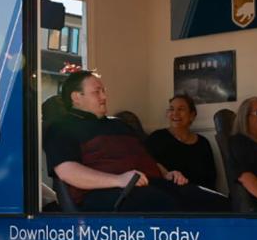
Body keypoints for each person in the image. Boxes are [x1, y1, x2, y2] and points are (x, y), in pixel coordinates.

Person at [43, 71, 225, 212]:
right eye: (97, 92)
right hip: (105, 193)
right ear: (76, 97)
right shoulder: (61, 128)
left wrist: (167, 174)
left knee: (218, 203)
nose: (104, 97)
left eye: (104, 91)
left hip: (151, 184)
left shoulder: (119, 124)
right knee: (167, 206)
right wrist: (119, 180)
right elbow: (68, 172)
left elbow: (145, 159)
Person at [146, 94, 217, 190]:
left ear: (192, 115)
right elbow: (145, 163)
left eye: (181, 109)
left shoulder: (203, 143)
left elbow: (211, 178)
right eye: (171, 109)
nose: (175, 113)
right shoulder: (156, 137)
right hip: (167, 192)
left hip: (198, 193)